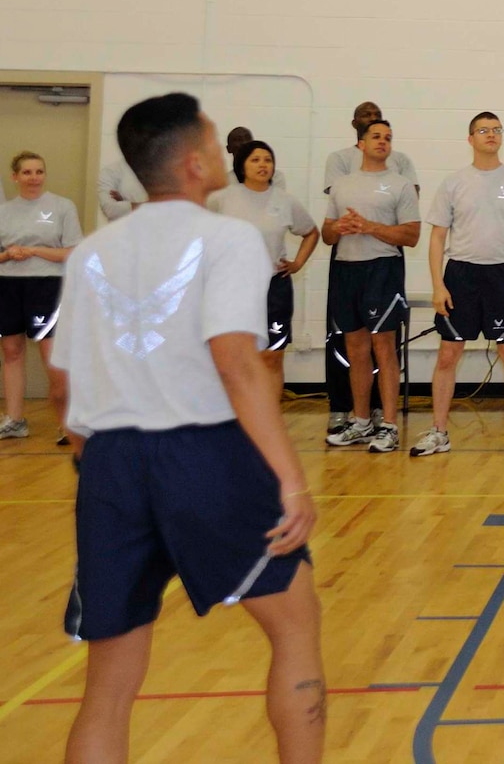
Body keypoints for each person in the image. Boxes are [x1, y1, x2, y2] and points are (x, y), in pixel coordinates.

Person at [51, 93, 323, 764]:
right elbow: (236, 362)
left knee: (108, 685)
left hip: (110, 462)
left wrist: (99, 463)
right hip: (204, 452)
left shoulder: (90, 250)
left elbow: (62, 383)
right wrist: (290, 479)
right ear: (197, 161)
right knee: (294, 627)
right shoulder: (227, 237)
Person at [416, 112, 504, 459]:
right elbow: (437, 236)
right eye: (484, 130)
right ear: (470, 139)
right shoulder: (454, 183)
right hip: (461, 276)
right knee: (448, 354)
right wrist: (438, 285)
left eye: (497, 129)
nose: (491, 135)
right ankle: (439, 431)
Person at [322, 120, 419, 453]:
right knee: (356, 349)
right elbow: (326, 234)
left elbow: (412, 235)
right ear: (360, 144)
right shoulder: (341, 185)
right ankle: (360, 421)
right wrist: (340, 226)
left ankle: (389, 426)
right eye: (376, 137)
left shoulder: (400, 185)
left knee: (384, 346)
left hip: (382, 270)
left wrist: (370, 226)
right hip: (346, 271)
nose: (383, 142)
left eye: (388, 138)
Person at [207, 141, 319, 378]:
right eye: (255, 160)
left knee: (272, 357)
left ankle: (269, 415)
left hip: (274, 289)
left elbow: (311, 232)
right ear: (242, 166)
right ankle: (236, 415)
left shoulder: (285, 201)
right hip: (235, 290)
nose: (262, 165)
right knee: (236, 358)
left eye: (268, 160)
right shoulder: (223, 199)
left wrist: (297, 263)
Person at [1, 151, 83, 441]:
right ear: (15, 177)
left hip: (47, 286)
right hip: (8, 286)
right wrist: (8, 255)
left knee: (52, 355)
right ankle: (14, 420)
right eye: (27, 172)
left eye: (38, 171)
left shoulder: (62, 207)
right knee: (11, 352)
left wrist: (34, 251)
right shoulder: (4, 211)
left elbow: (72, 251)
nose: (33, 177)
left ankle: (67, 423)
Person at [96, 157, 147, 223]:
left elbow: (163, 209)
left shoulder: (161, 171)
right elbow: (110, 209)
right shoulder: (110, 171)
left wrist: (127, 204)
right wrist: (153, 205)